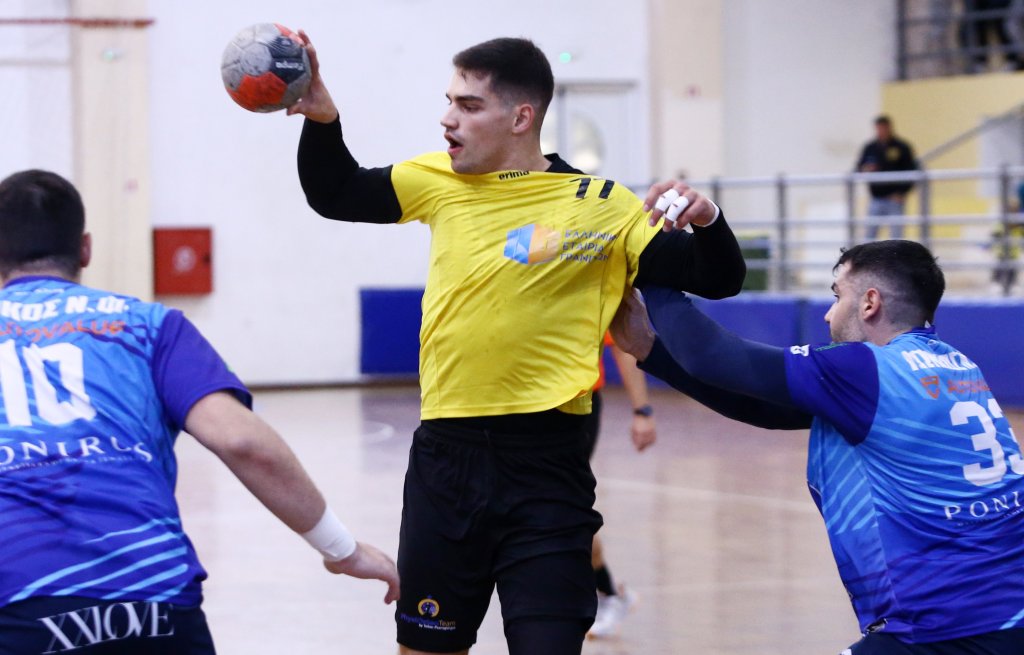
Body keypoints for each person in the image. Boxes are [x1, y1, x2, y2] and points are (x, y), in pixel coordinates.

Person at [287, 34, 746, 655]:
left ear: (521, 117)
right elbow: (335, 192)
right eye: (449, 101)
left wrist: (709, 220)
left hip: (548, 467)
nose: (448, 118)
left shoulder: (602, 206)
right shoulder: (434, 179)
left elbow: (717, 279)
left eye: (469, 105)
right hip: (447, 461)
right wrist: (322, 119)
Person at [0, 170, 400, 654]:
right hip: (152, 600)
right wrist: (341, 549)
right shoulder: (148, 325)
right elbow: (242, 441)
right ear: (85, 248)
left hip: (17, 603)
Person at [610, 240, 1024, 654]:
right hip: (1005, 613)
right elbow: (764, 407)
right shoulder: (956, 366)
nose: (828, 314)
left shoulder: (866, 369)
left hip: (945, 625)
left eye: (837, 296)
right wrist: (651, 352)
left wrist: (653, 270)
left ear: (870, 303)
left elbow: (712, 355)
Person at [584, 336, 656, 639]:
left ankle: (609, 594)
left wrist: (642, 411)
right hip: (522, 409)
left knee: (562, 507)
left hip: (577, 406)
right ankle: (608, 593)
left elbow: (623, 345)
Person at [856, 116, 918, 240]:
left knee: (896, 236)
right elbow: (859, 167)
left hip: (895, 199)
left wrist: (902, 193)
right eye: (879, 128)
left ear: (890, 128)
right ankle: (868, 254)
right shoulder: (870, 148)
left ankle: (896, 254)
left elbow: (912, 172)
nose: (882, 131)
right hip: (876, 198)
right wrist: (866, 168)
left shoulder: (902, 147)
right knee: (869, 235)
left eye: (884, 128)